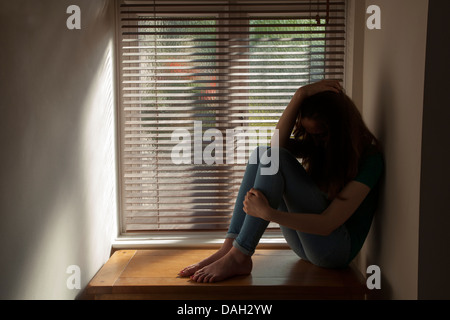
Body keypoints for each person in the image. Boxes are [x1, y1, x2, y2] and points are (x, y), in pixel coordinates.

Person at [178, 80, 384, 283]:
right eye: (311, 135)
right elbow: (274, 147)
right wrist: (300, 95)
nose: (316, 142)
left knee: (276, 158)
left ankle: (239, 255)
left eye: (321, 134)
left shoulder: (370, 159)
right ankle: (230, 247)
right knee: (263, 154)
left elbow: (327, 225)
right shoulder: (320, 146)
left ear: (340, 128)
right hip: (306, 246)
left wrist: (269, 214)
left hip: (334, 251)